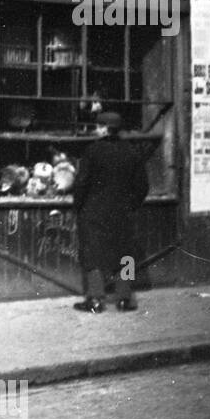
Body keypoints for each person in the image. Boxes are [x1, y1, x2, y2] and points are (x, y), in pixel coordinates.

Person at [70, 111, 149, 313]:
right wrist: (131, 205)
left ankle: (95, 300)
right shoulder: (132, 151)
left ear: (105, 128)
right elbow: (142, 186)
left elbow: (81, 183)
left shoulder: (92, 151)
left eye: (98, 126)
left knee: (92, 255)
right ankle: (124, 299)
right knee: (126, 256)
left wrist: (78, 206)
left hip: (94, 212)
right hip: (123, 212)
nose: (96, 129)